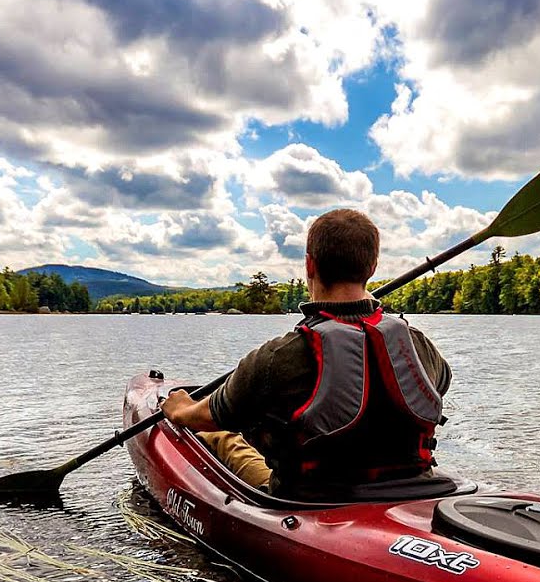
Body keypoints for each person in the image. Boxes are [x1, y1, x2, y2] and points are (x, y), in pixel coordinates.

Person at [161, 209, 451, 499]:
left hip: (310, 502)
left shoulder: (277, 358)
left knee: (223, 435)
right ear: (372, 267)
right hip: (414, 490)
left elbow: (213, 415)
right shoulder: (419, 345)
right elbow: (439, 383)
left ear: (309, 265)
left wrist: (180, 409)